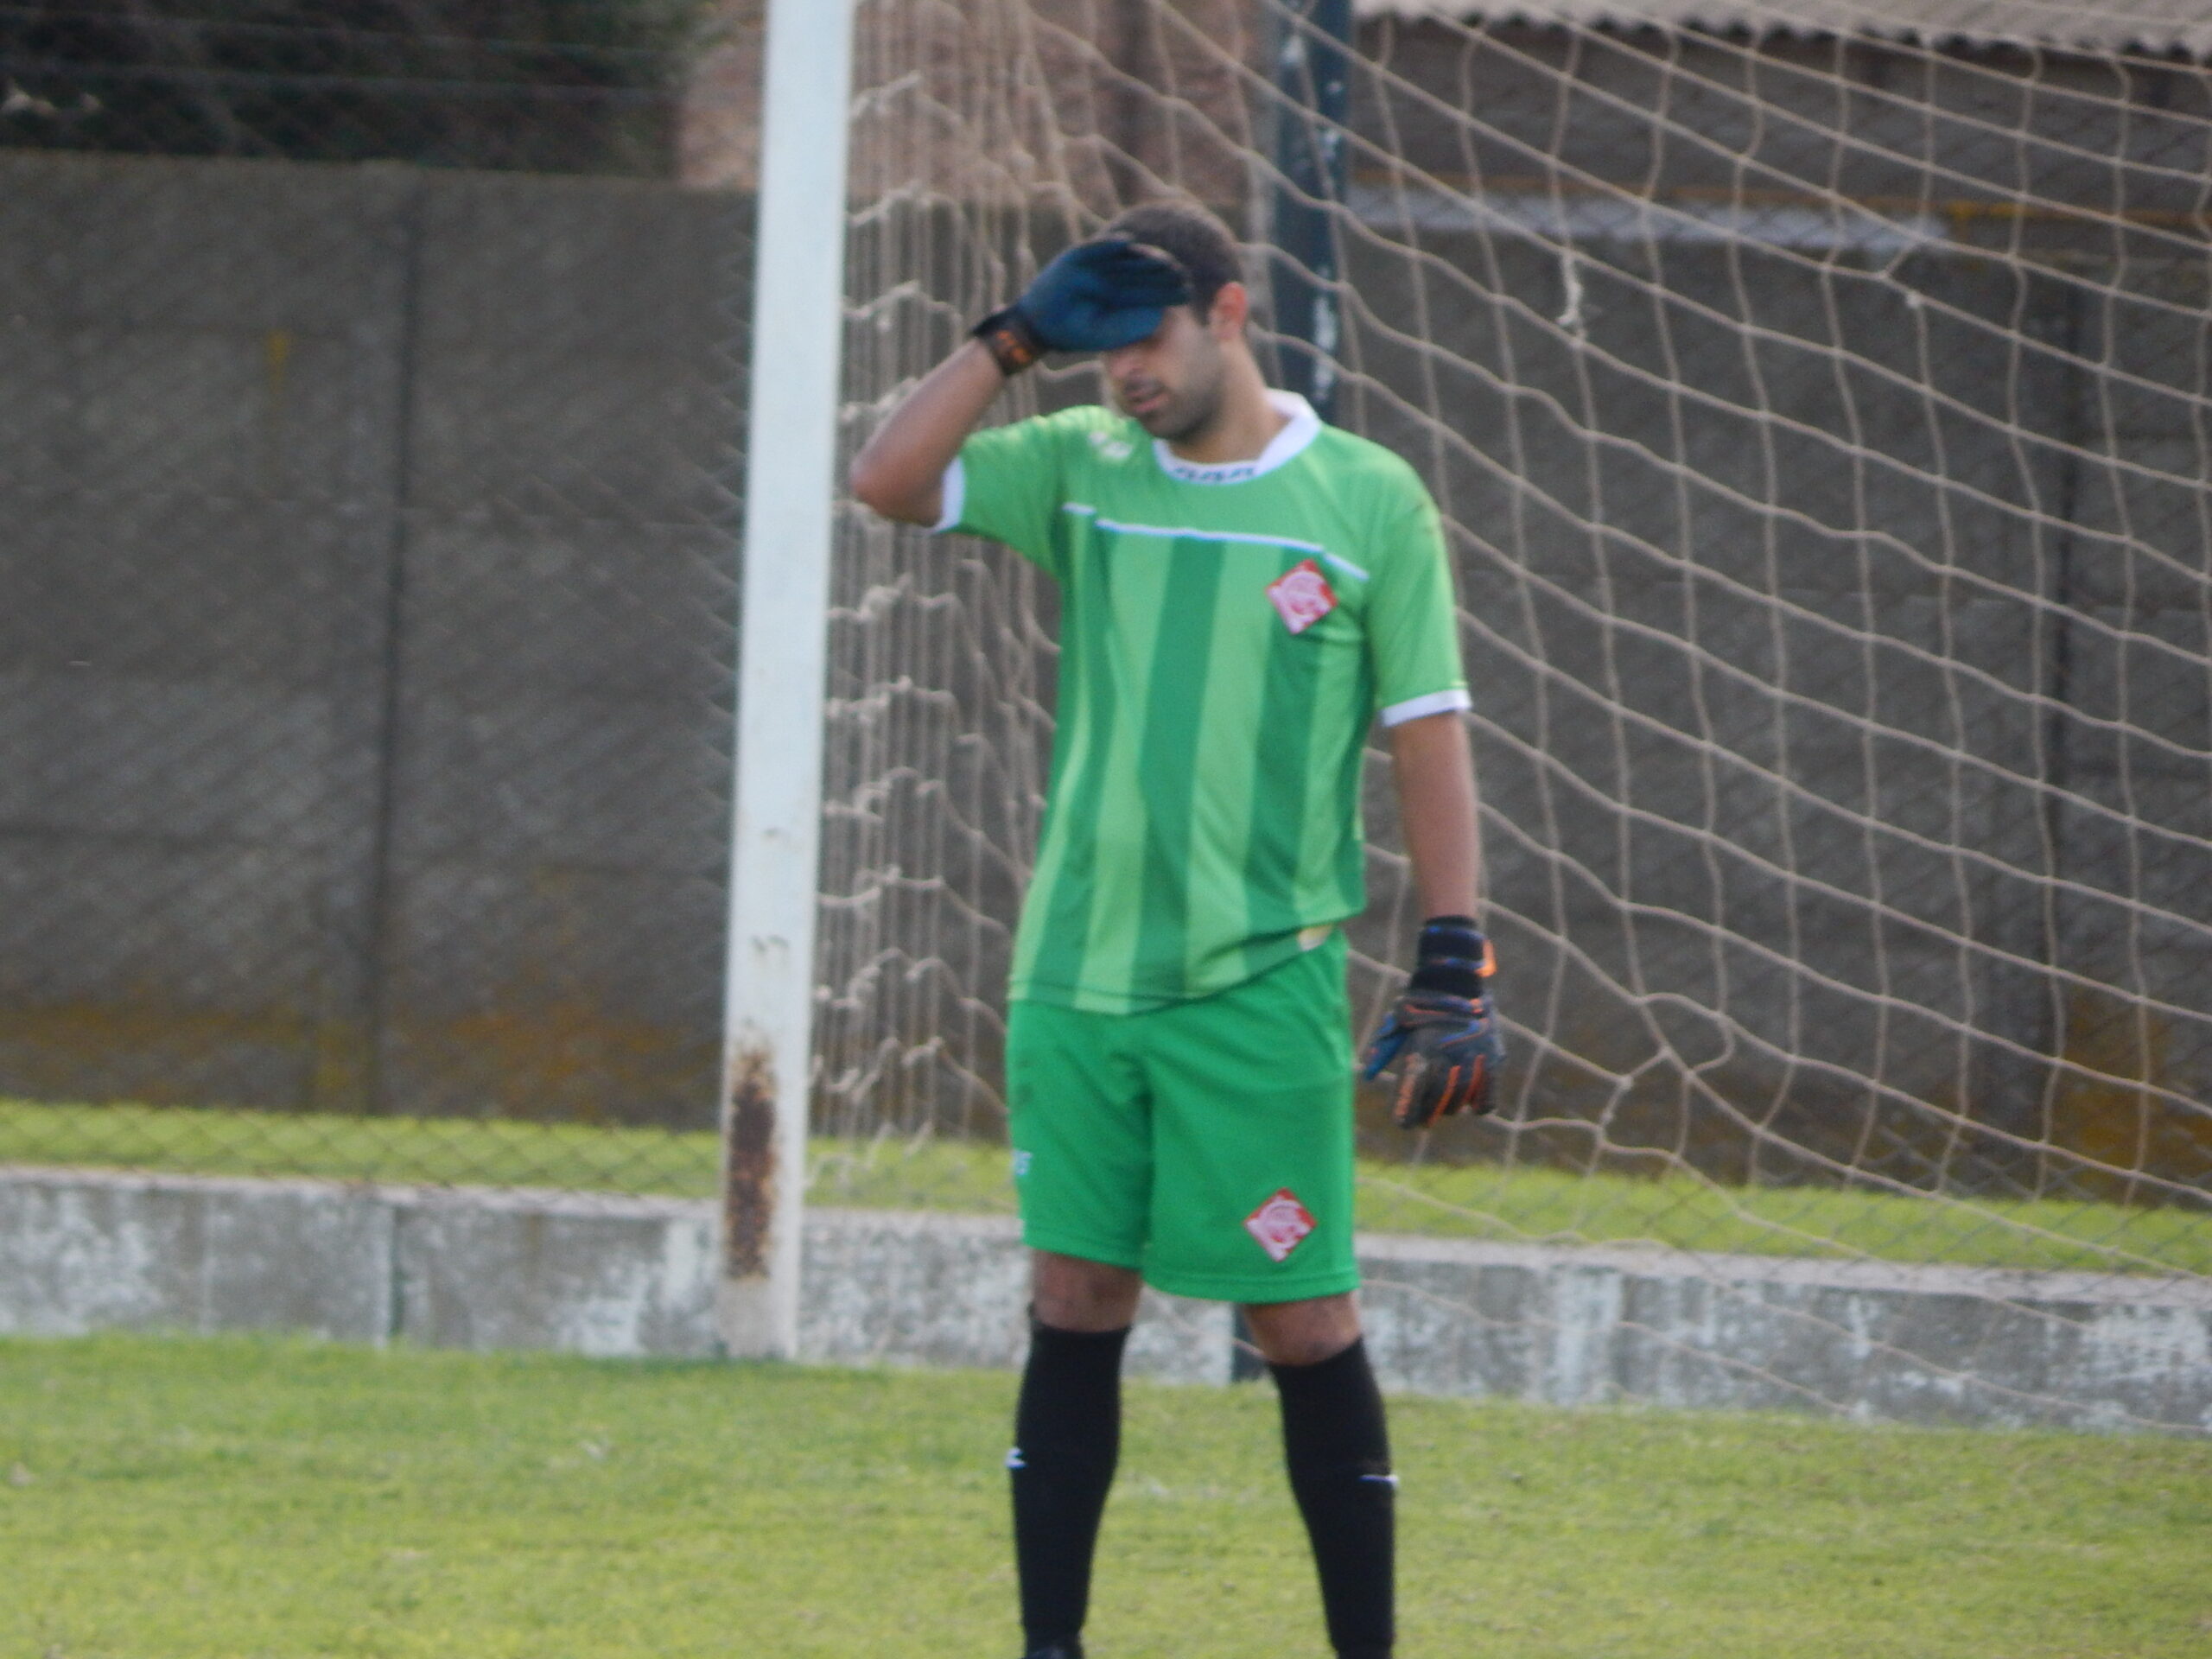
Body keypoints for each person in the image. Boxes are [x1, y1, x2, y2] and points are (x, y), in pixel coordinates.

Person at [850, 199, 1503, 1659]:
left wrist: (1454, 948)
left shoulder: (1367, 497)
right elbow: (888, 480)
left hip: (1260, 985)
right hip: (1076, 979)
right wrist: (1012, 342)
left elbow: (1428, 728)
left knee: (1302, 1322)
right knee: (1076, 1297)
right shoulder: (1081, 467)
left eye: (1144, 339)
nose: (1126, 373)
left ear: (1229, 313)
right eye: (1099, 348)